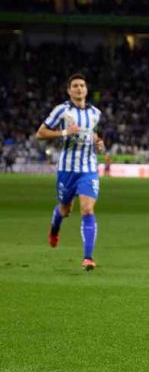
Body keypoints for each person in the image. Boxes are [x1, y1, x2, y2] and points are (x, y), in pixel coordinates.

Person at [36, 73, 106, 271]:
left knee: (87, 209)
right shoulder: (61, 111)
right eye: (75, 86)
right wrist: (65, 132)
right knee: (65, 210)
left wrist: (99, 144)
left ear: (86, 89)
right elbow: (40, 133)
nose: (79, 88)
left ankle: (88, 257)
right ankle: (55, 227)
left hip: (88, 169)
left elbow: (93, 135)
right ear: (69, 90)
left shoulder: (95, 113)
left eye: (82, 85)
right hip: (67, 170)